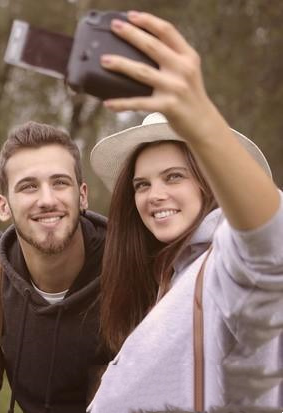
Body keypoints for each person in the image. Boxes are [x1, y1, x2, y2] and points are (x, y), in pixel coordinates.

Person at [87, 11, 282, 412]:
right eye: (142, 184)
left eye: (173, 177)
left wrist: (200, 119)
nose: (154, 194)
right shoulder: (170, 277)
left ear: (206, 183)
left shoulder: (230, 265)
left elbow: (270, 242)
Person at [0, 121, 110, 413]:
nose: (47, 200)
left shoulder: (134, 271)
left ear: (82, 195)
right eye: (29, 187)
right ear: (4, 206)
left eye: (60, 182)